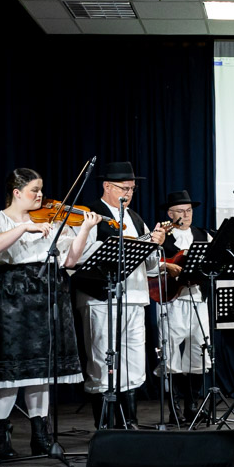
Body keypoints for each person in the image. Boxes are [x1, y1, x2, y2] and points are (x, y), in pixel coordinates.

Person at [0, 168, 101, 459]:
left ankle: (40, 436)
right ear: (17, 192)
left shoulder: (51, 220)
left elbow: (70, 261)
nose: (40, 195)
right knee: (10, 371)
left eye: (41, 189)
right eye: (34, 189)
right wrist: (23, 228)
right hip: (12, 295)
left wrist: (83, 230)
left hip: (48, 293)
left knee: (41, 370)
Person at [72, 162, 169, 428]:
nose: (129, 193)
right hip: (100, 298)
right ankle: (105, 426)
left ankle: (130, 422)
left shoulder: (136, 218)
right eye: (124, 188)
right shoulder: (90, 214)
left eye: (132, 189)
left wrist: (155, 245)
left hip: (134, 297)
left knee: (133, 360)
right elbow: (78, 255)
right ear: (107, 186)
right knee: (102, 359)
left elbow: (151, 268)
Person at [158, 189, 212, 424]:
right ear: (170, 214)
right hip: (173, 300)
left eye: (189, 210)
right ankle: (174, 408)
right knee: (170, 353)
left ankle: (192, 406)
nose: (186, 215)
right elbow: (153, 264)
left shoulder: (204, 235)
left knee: (199, 351)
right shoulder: (163, 236)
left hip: (198, 300)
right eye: (180, 211)